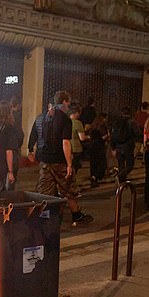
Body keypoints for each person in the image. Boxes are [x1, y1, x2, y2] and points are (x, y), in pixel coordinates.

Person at [34, 91, 93, 225]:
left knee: (44, 190)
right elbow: (65, 142)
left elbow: (38, 136)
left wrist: (34, 151)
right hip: (59, 160)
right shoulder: (65, 119)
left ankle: (44, 218)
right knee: (68, 188)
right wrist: (69, 164)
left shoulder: (43, 117)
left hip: (45, 159)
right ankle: (76, 215)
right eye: (68, 103)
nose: (69, 106)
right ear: (65, 102)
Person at [110, 106, 137, 183]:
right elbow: (137, 133)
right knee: (130, 165)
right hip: (128, 146)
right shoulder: (132, 122)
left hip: (118, 146)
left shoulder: (116, 122)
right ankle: (120, 176)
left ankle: (121, 183)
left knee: (121, 165)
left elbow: (113, 136)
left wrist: (113, 148)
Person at [6, 99, 24, 191]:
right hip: (13, 151)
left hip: (0, 156)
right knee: (11, 178)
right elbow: (20, 135)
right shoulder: (15, 119)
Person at [86, 113, 109, 187]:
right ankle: (94, 177)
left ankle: (94, 180)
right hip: (99, 147)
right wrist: (107, 136)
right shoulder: (101, 127)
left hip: (92, 147)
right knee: (102, 164)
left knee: (93, 164)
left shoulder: (92, 127)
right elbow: (101, 138)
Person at [69, 104, 87, 175]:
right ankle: (73, 181)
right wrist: (88, 137)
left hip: (66, 147)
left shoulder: (65, 121)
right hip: (76, 149)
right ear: (76, 113)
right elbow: (82, 138)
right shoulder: (78, 123)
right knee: (75, 167)